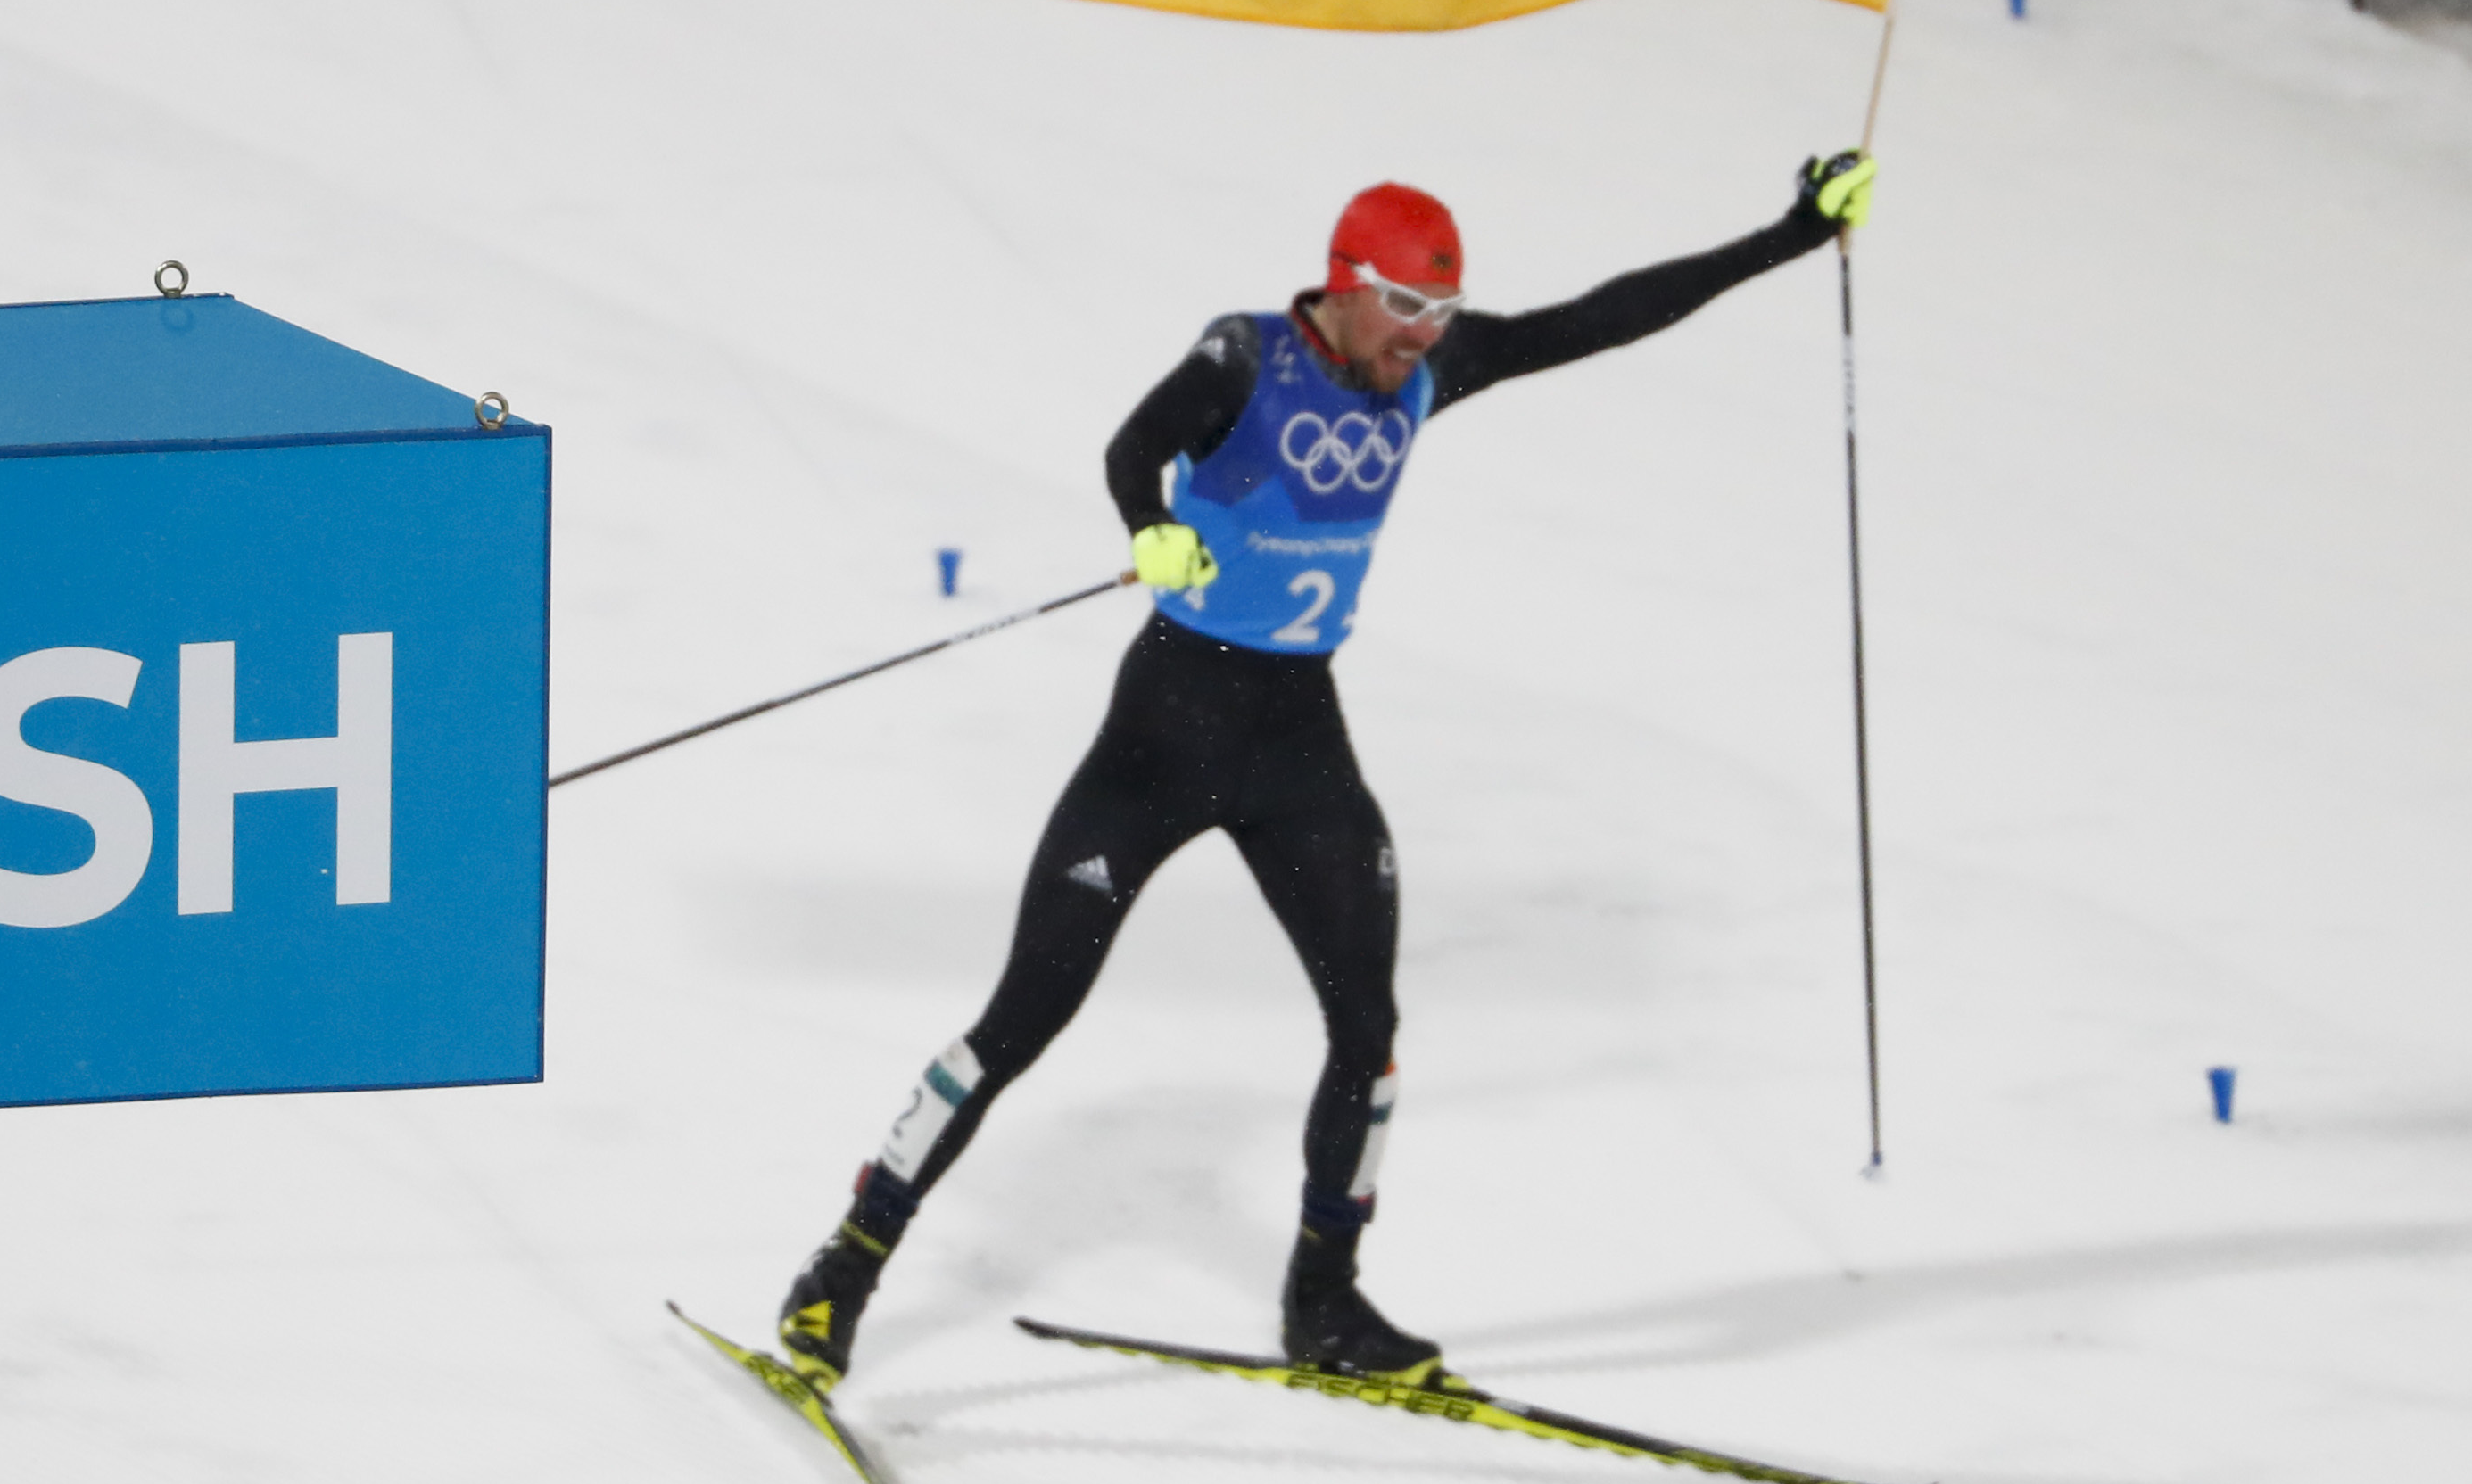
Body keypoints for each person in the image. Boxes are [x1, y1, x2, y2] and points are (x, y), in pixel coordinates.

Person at [775, 148, 1878, 1389]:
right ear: (1343, 285)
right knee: (1021, 1020)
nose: (1422, 335)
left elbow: (1603, 318)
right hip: (1165, 729)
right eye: (1402, 307)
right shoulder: (1245, 357)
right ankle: (840, 1276)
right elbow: (1132, 448)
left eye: (1440, 313)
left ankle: (1324, 1306)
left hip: (1298, 737)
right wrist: (1149, 531)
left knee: (1368, 1029)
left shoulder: (1429, 374)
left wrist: (1792, 233)